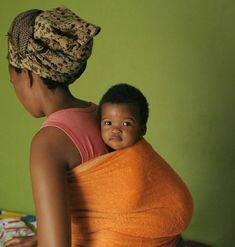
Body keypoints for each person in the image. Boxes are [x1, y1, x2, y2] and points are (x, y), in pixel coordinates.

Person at [4, 6, 106, 247]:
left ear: (28, 75)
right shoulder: (100, 114)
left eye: (13, 82)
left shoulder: (48, 143)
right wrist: (39, 237)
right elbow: (96, 207)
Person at [90, 83, 192, 246]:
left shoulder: (139, 161)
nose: (115, 130)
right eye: (108, 123)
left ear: (142, 129)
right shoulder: (102, 158)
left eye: (126, 124)